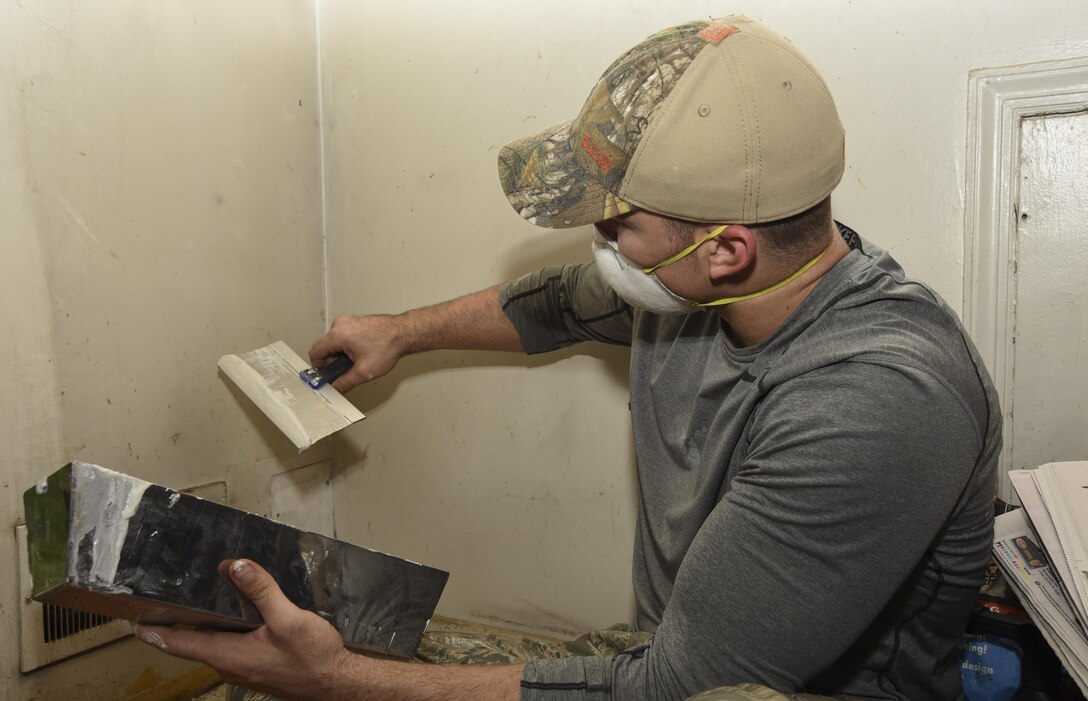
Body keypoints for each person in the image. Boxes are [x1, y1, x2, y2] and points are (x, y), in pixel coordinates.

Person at [136, 16, 1000, 700]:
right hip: (671, 658)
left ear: (726, 250)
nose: (601, 248)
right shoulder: (701, 284)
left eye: (616, 225)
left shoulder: (876, 398)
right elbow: (553, 306)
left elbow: (682, 689)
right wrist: (400, 330)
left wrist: (339, 682)